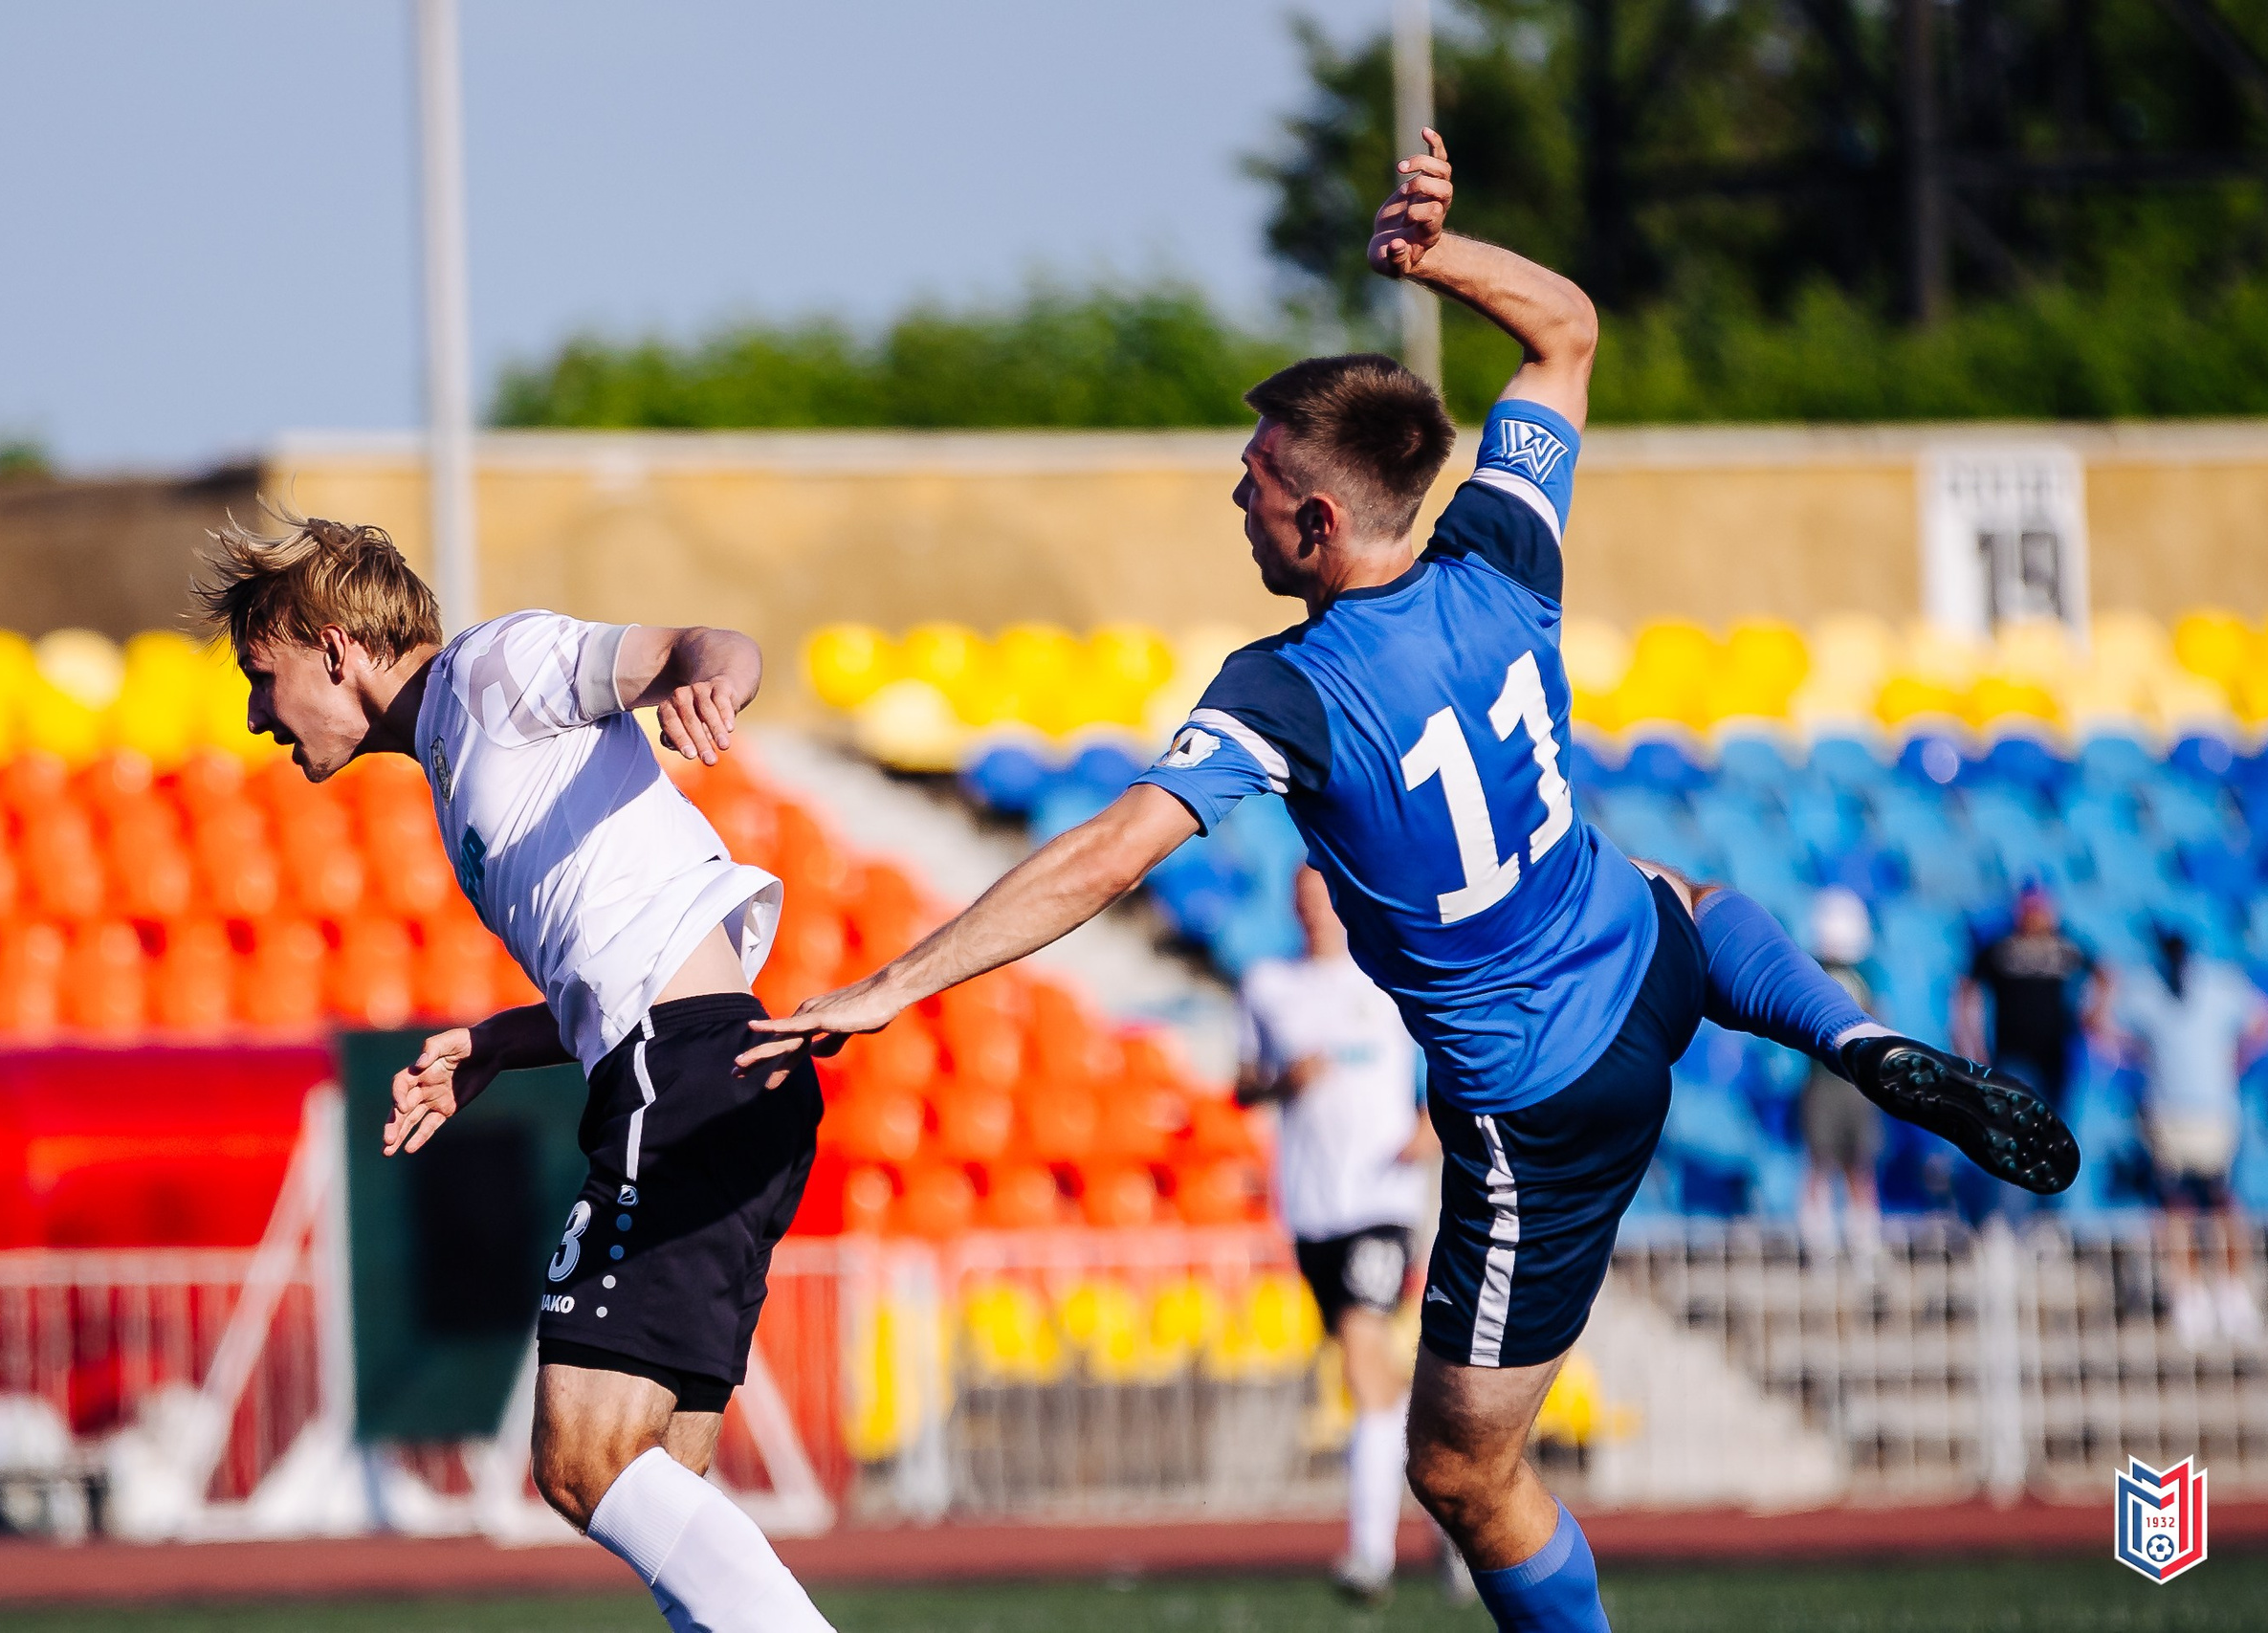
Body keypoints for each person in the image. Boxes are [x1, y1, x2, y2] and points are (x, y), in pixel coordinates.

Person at [741, 131, 2079, 1633]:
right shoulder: (1501, 549)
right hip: (1647, 953)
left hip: (1539, 1102)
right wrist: (1433, 258)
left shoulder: (1291, 684)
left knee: (1460, 1464)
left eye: (1254, 483)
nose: (1234, 502)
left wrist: (895, 981)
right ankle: (1851, 1032)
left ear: (1319, 522)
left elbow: (1114, 848)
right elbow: (1567, 327)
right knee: (1683, 894)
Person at [198, 512, 835, 1633]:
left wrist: (707, 683)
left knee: (582, 1463)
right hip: (721, 1070)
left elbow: (706, 643)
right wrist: (499, 1042)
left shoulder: (493, 670)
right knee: (653, 1484)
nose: (255, 713)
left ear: (336, 648)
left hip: (681, 1080)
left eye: (263, 673)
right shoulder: (456, 763)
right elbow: (623, 948)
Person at [1236, 867, 1435, 1604]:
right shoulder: (1268, 985)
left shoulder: (1389, 980)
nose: (1318, 913)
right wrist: (1285, 1079)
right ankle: (1456, 1507)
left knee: (1361, 1355)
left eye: (1327, 898)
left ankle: (1369, 1554)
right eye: (1305, 901)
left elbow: (1451, 1054)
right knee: (1376, 1372)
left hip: (1381, 1198)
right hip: (1312, 1208)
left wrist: (1432, 1125)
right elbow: (1243, 1082)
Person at [2103, 926, 2268, 1349]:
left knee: (2222, 1201)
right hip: (2167, 1112)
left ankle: (2231, 1289)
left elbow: (2259, 1019)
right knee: (2175, 1205)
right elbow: (2103, 1028)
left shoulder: (2219, 983)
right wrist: (2136, 1054)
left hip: (2214, 1111)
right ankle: (2188, 1291)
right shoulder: (2144, 990)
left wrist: (2237, 1059)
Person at [1953, 882, 2101, 1115]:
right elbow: (1967, 990)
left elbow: (2104, 974)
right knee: (2009, 1114)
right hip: (2012, 1049)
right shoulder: (2000, 947)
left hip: (2055, 1048)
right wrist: (1970, 1040)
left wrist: (2095, 1014)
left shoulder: (2064, 945)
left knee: (2057, 1119)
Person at [1799, 888, 1884, 1258]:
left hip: (1855, 1083)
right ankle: (1818, 1241)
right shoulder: (1810, 969)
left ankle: (1862, 1239)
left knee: (1858, 1163)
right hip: (1823, 1079)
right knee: (1821, 1160)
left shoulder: (1865, 973)